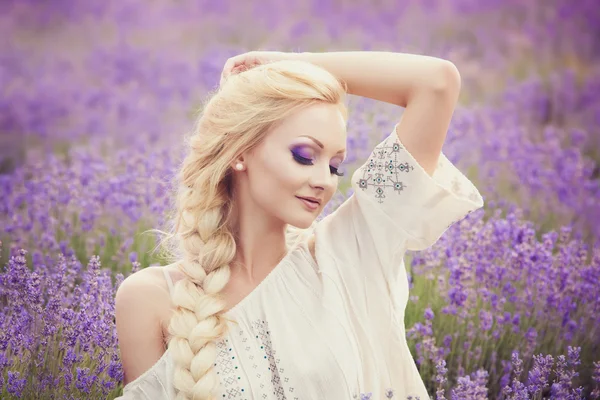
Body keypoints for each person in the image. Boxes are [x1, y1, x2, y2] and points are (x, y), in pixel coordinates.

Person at [114, 50, 484, 400]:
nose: (324, 179)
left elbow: (436, 82)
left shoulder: (350, 252)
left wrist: (289, 65)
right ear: (241, 151)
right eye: (304, 156)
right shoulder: (150, 298)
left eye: (335, 165)